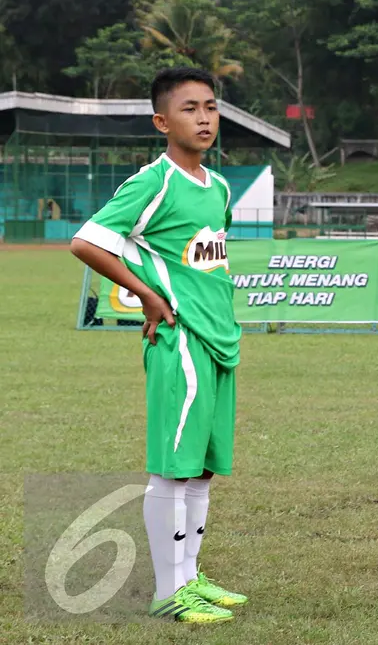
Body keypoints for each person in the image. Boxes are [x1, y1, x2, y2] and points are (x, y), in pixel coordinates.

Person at [70, 67, 248, 623]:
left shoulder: (216, 187)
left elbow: (203, 263)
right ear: (161, 121)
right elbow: (87, 242)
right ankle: (170, 592)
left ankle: (191, 577)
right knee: (173, 467)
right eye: (190, 108)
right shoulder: (154, 182)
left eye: (212, 107)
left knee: (201, 468)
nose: (204, 118)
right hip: (181, 340)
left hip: (221, 339)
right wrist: (147, 295)